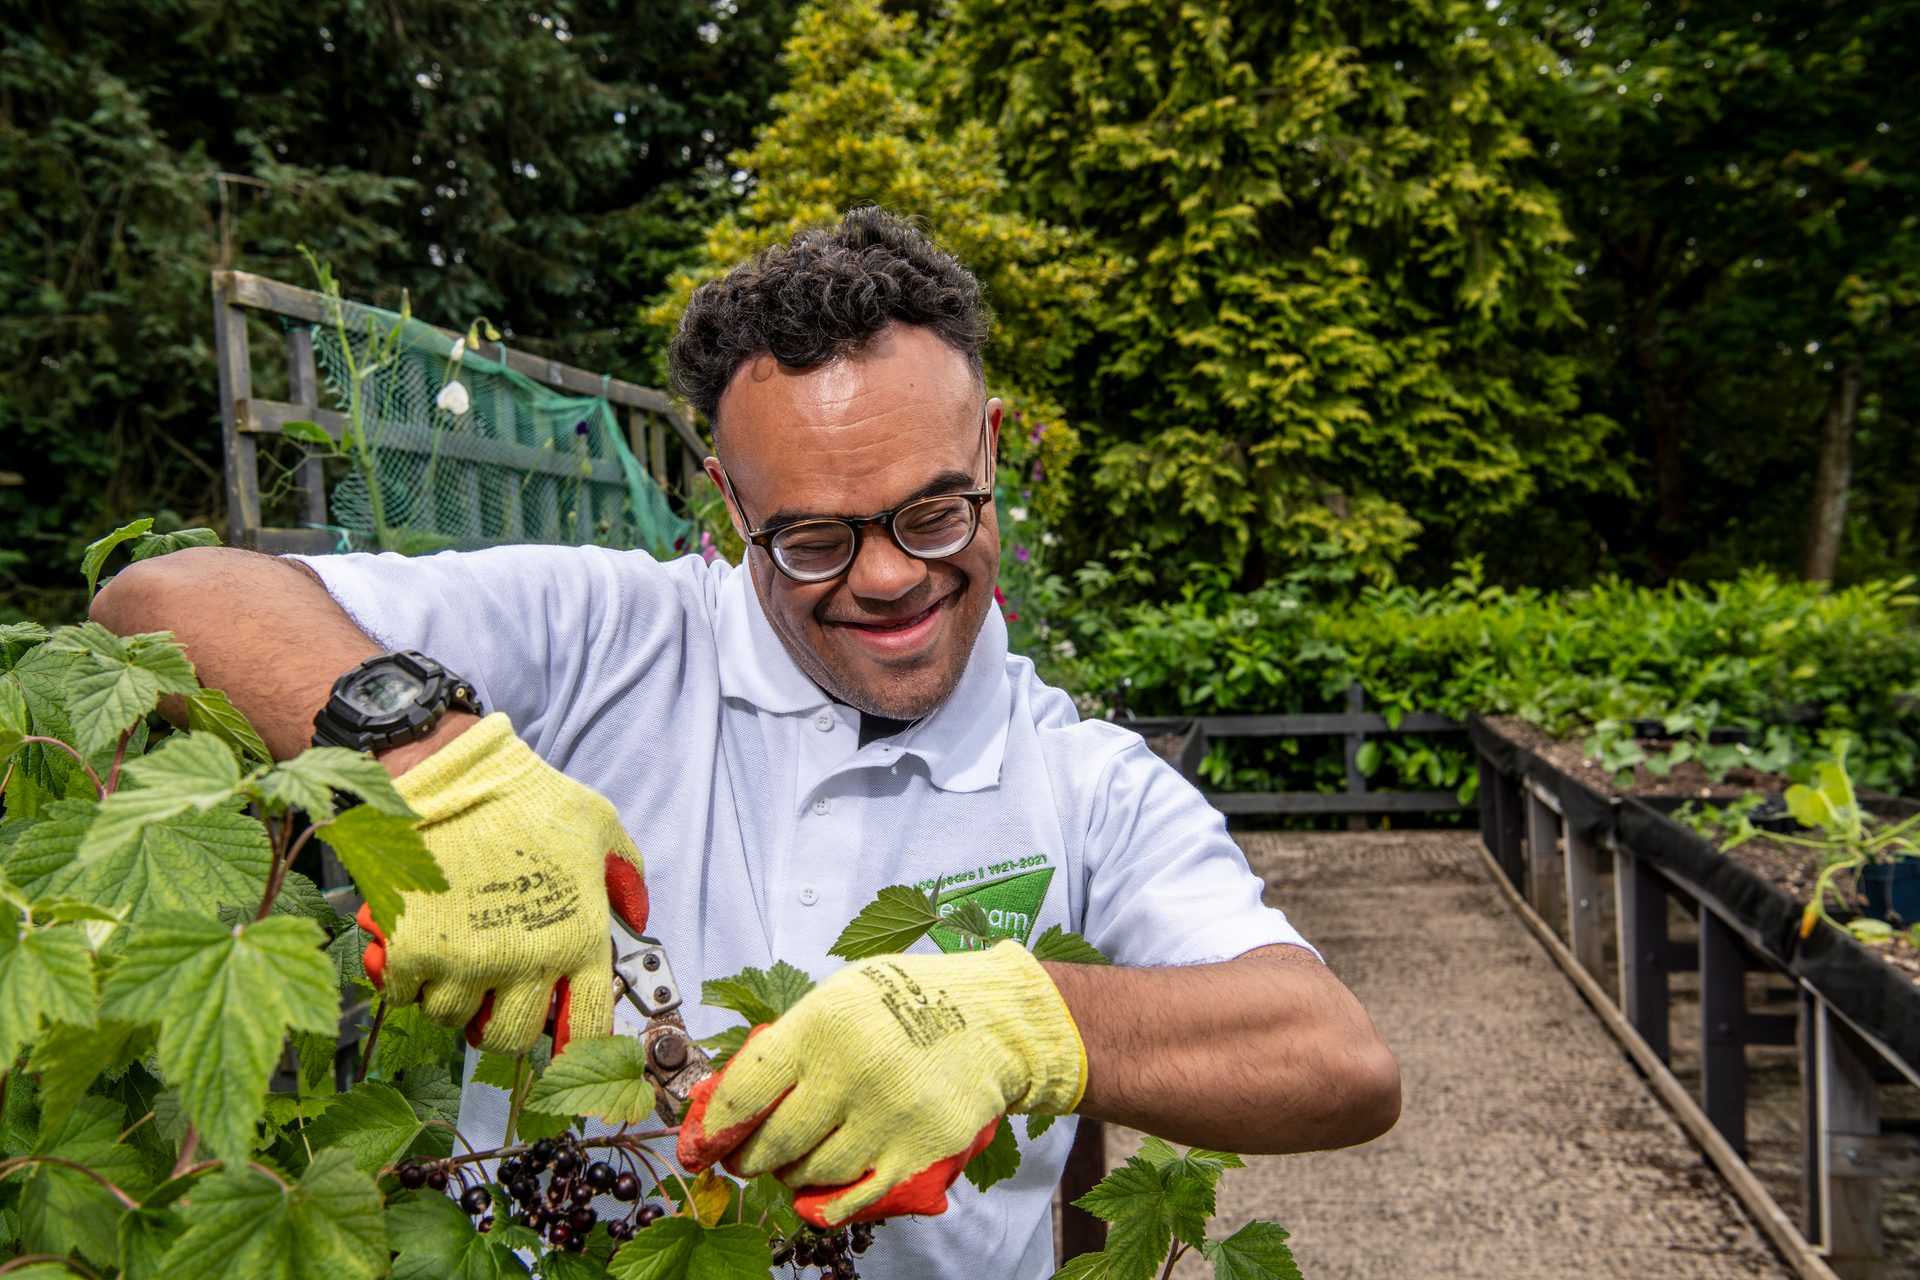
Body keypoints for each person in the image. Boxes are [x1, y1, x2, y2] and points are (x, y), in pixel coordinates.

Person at [93, 206, 1398, 1278]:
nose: (889, 578)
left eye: (937, 513)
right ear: (725, 502)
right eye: (815, 539)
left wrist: (1022, 1017)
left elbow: (1336, 1060)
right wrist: (429, 763)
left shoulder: (1086, 780)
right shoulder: (608, 631)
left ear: (993, 451)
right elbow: (169, 597)